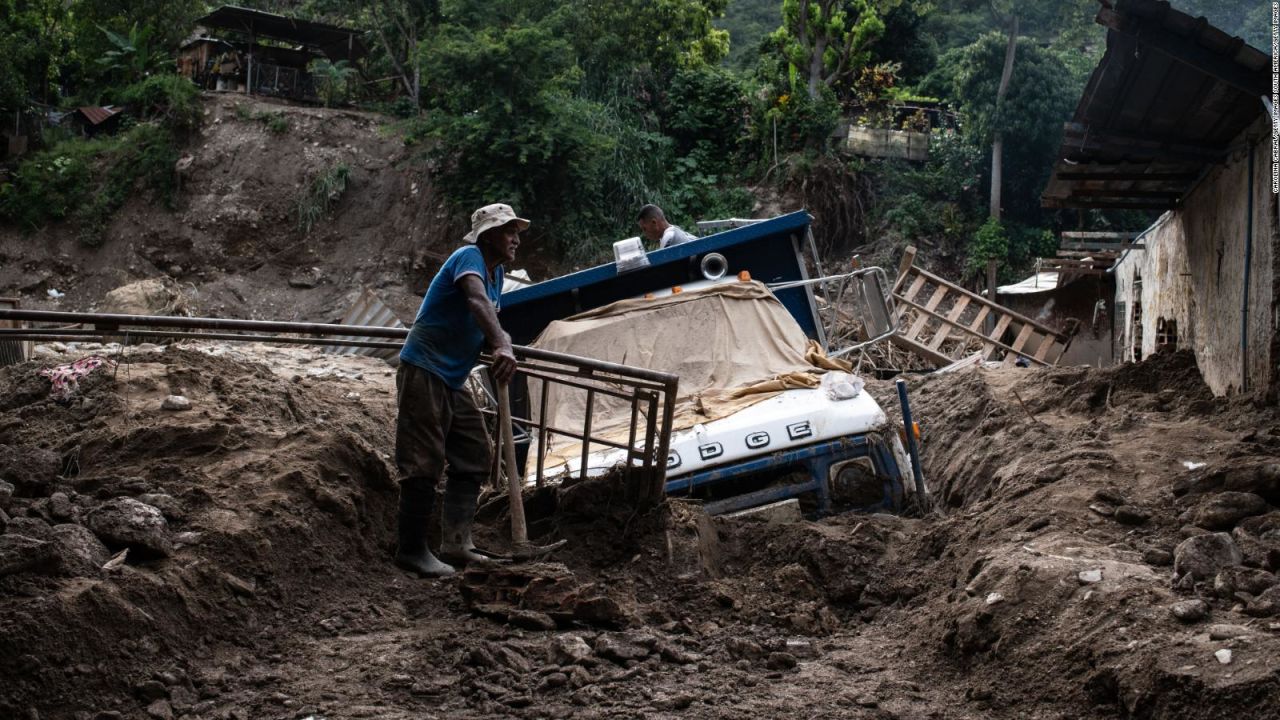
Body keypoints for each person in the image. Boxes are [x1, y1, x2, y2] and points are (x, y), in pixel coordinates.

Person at [394, 203, 526, 577]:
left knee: (473, 454)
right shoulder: (468, 257)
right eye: (508, 231)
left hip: (452, 377)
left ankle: (456, 542)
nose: (516, 238)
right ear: (487, 236)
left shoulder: (496, 272)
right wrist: (501, 344)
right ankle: (412, 550)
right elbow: (474, 300)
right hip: (425, 368)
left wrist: (504, 341)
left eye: (516, 231)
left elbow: (491, 319)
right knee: (423, 461)